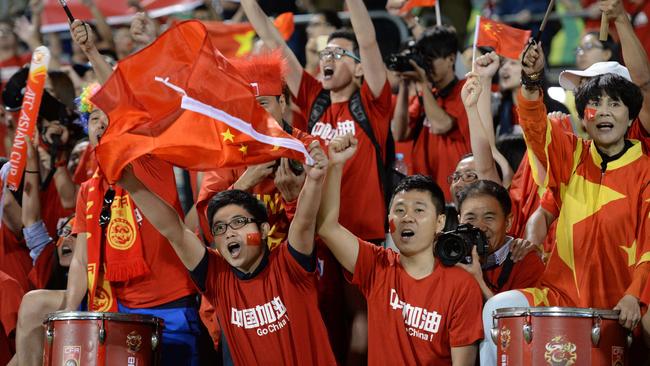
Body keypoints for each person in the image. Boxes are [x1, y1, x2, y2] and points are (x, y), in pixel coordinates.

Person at [479, 40, 650, 364]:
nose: (603, 112)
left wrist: (635, 294)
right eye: (594, 105)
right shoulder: (571, 154)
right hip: (559, 294)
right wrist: (531, 80)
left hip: (623, 302)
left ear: (630, 117)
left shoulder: (646, 171)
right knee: (496, 309)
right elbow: (535, 129)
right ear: (584, 116)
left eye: (614, 104)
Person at [118, 138, 337, 365]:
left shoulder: (291, 265)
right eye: (220, 228)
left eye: (239, 222)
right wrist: (132, 184)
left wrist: (315, 179)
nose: (229, 232)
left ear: (263, 230)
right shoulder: (216, 276)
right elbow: (174, 230)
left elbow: (304, 221)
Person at [61, 84, 200, 366]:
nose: (100, 124)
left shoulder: (150, 163)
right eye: (95, 118)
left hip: (170, 302)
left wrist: (91, 51)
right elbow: (80, 258)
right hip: (117, 308)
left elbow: (133, 108)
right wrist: (68, 308)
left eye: (109, 117)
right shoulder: (88, 189)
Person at [317, 133, 484, 365]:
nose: (407, 218)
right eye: (399, 210)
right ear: (388, 220)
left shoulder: (462, 286)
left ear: (440, 222)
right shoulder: (376, 265)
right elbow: (326, 227)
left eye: (419, 210)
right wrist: (335, 165)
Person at [455, 180, 544, 300]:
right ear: (459, 221)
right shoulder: (450, 256)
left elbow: (519, 318)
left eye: (489, 218)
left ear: (508, 223)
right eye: (471, 218)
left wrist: (478, 282)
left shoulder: (524, 260)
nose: (480, 227)